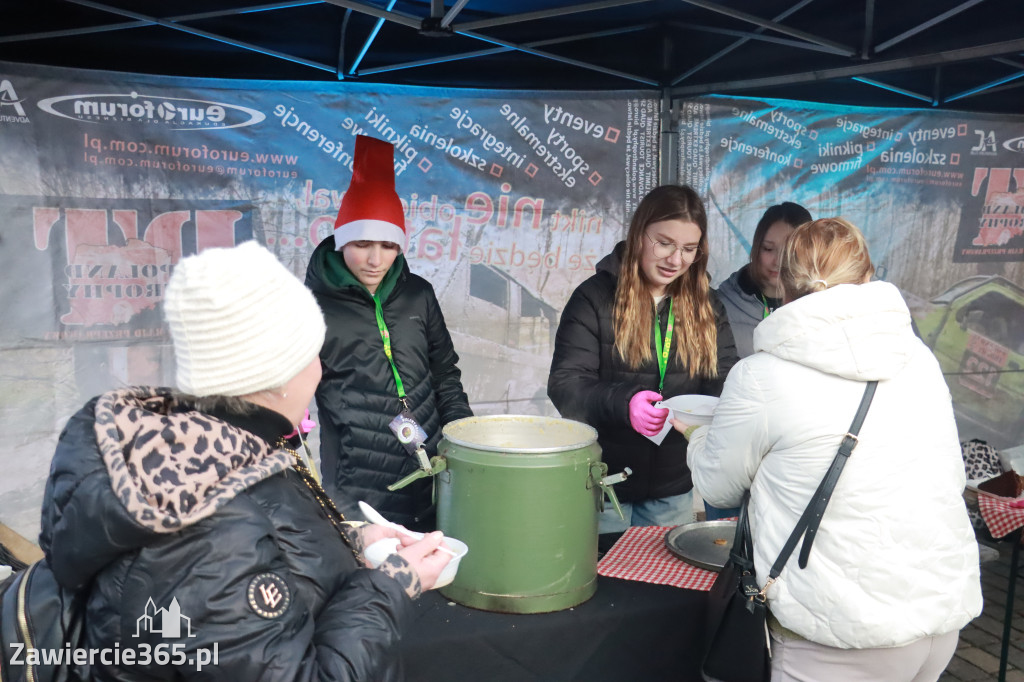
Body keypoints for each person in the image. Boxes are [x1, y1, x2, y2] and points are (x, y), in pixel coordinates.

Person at [39, 241, 453, 681]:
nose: (322, 369)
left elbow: (279, 548)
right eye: (314, 352)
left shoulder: (223, 448)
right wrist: (392, 586)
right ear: (276, 378)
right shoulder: (206, 537)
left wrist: (355, 538)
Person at [676, 218, 982, 682]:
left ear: (784, 280)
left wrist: (696, 435)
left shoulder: (762, 375)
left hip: (836, 634)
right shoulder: (918, 357)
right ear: (868, 275)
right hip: (938, 617)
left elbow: (718, 483)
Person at [547, 184, 738, 533]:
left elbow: (724, 379)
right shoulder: (594, 298)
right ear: (639, 235)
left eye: (689, 249)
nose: (676, 260)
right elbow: (566, 385)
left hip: (673, 487)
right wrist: (625, 403)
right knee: (605, 582)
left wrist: (706, 413)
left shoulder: (708, 305)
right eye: (664, 243)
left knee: (664, 583)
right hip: (603, 484)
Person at [306, 135, 472, 532]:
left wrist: (463, 438)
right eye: (362, 244)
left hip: (433, 468)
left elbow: (445, 373)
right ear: (341, 241)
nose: (376, 259)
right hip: (358, 481)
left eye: (388, 245)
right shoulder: (309, 306)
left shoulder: (419, 295)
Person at [716, 201, 812, 358]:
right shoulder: (720, 307)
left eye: (789, 252)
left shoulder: (820, 307)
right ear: (756, 248)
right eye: (768, 249)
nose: (778, 261)